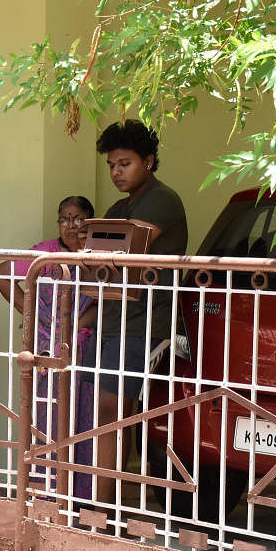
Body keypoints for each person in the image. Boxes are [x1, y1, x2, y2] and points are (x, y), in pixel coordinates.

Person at [89, 120, 187, 504]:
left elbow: (127, 246)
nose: (116, 172)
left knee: (114, 409)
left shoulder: (162, 198)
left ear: (148, 161)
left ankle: (103, 505)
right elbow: (94, 259)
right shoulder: (118, 206)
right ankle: (100, 502)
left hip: (145, 321)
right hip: (115, 318)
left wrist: (97, 251)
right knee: (106, 409)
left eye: (125, 163)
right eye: (112, 164)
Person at [0, 196, 98, 499]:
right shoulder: (45, 253)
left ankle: (79, 500)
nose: (71, 226)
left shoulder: (98, 256)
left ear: (90, 222)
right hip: (46, 353)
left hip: (85, 352)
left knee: (83, 423)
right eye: (64, 219)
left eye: (78, 218)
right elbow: (1, 273)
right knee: (47, 421)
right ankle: (45, 495)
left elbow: (108, 300)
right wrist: (31, 316)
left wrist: (75, 324)